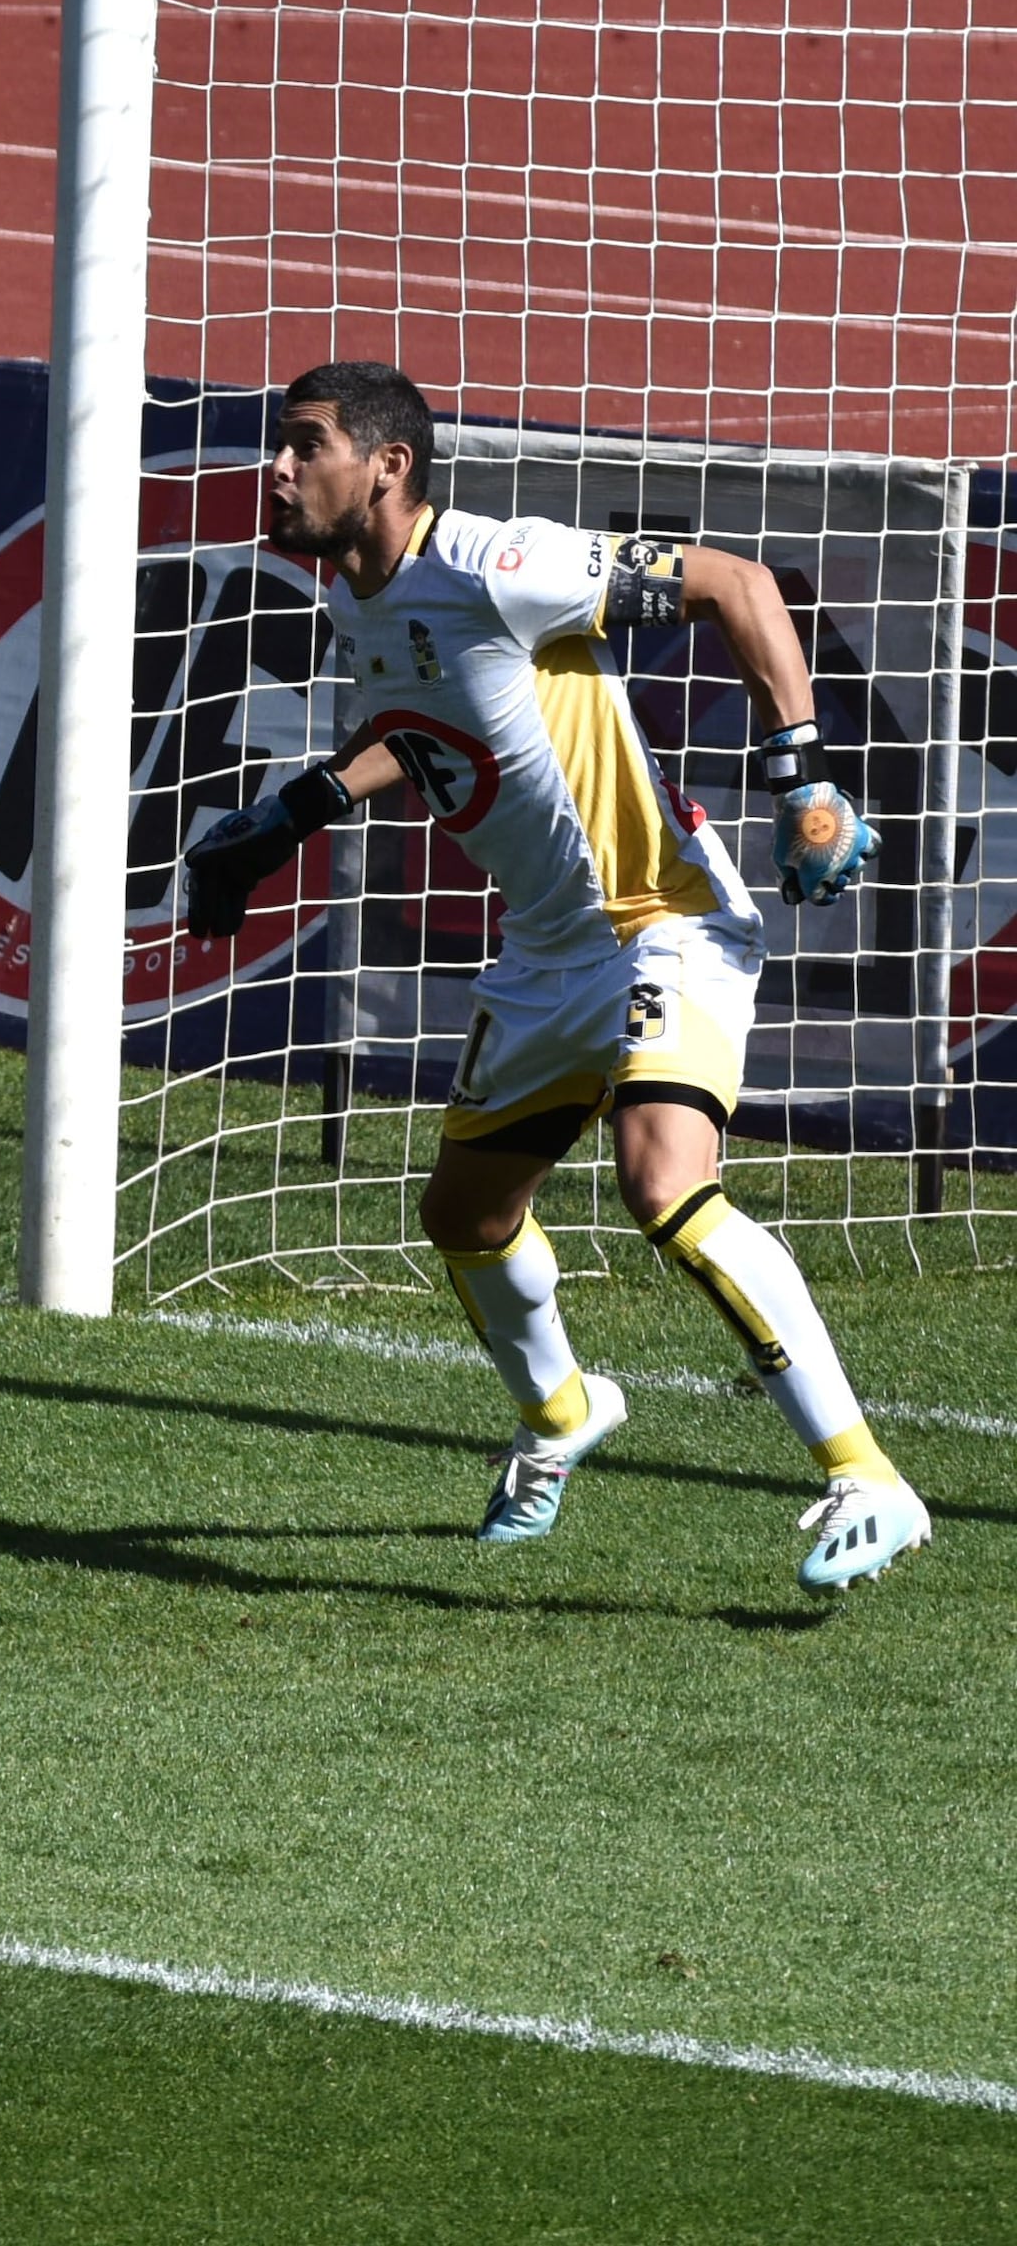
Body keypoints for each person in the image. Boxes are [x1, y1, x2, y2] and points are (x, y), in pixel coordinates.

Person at [181, 359, 925, 1590]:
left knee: (661, 1184)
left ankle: (866, 1476)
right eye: (277, 445)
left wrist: (802, 778)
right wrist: (287, 814)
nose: (275, 468)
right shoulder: (357, 603)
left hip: (662, 920)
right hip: (543, 953)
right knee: (462, 1218)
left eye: (303, 445)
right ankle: (561, 1414)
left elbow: (733, 581)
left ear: (385, 468)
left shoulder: (495, 559)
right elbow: (418, 729)